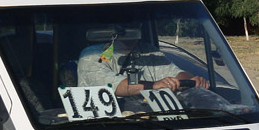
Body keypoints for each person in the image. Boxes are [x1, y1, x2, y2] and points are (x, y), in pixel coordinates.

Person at [77, 34, 208, 96]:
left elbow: (175, 73)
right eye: (127, 23)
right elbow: (114, 86)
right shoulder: (92, 55)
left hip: (152, 121)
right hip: (105, 126)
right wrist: (155, 85)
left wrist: (190, 80)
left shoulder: (148, 52)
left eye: (136, 22)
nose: (132, 28)